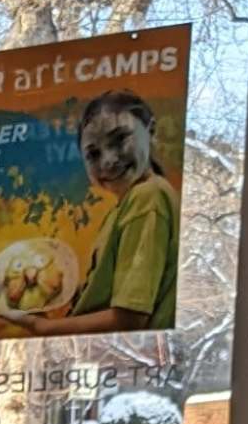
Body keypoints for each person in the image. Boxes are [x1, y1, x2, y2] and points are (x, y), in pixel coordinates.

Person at [65, 93, 178, 333]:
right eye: (93, 154)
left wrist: (42, 328)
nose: (108, 160)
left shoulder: (147, 197)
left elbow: (129, 318)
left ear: (150, 130)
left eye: (119, 140)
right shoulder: (125, 205)